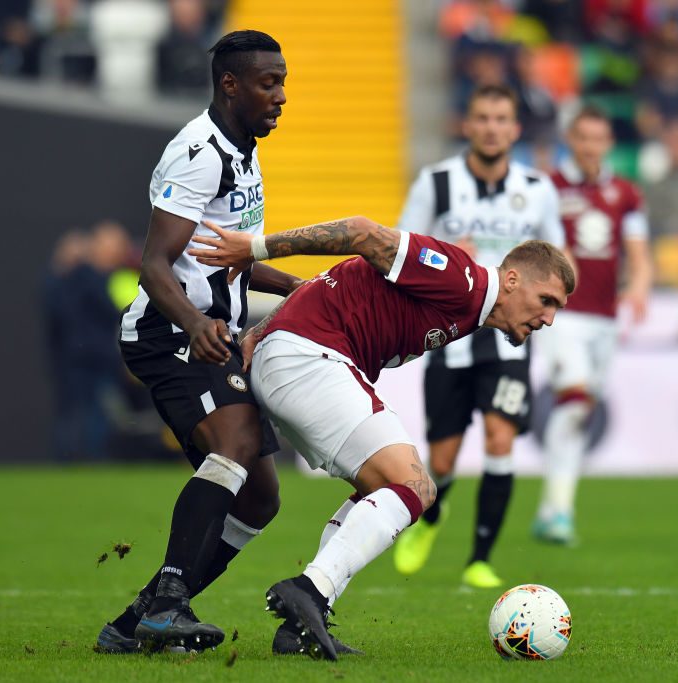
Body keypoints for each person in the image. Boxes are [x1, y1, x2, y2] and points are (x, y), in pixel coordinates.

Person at [188, 215, 575, 660]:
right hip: (310, 360)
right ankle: (309, 592)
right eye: (546, 300)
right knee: (414, 486)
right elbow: (361, 233)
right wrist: (256, 248)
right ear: (511, 280)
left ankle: (294, 622)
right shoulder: (463, 277)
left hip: (301, 357)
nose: (547, 318)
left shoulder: (469, 302)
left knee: (379, 491)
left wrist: (267, 327)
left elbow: (333, 283)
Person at [95, 30, 304, 655]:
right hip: (168, 334)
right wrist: (195, 324)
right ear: (230, 85)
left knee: (262, 499)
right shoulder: (199, 152)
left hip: (210, 332)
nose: (281, 96)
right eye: (269, 83)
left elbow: (223, 257)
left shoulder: (243, 148)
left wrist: (298, 287)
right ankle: (168, 605)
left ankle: (140, 622)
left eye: (284, 81)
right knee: (236, 443)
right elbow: (155, 265)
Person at [389, 84, 565, 589]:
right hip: (450, 336)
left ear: (514, 129)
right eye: (482, 117)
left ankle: (480, 559)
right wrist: (444, 251)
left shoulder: (537, 189)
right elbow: (400, 250)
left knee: (499, 437)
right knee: (441, 460)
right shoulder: (436, 183)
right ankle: (432, 518)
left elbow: (556, 261)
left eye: (500, 118)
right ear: (468, 125)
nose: (491, 127)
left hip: (510, 337)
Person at [531, 105, 652, 545]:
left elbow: (637, 249)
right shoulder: (549, 187)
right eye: (582, 137)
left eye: (598, 139)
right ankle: (559, 512)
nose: (590, 146)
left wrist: (638, 287)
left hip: (605, 318)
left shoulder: (626, 193)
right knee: (576, 398)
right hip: (562, 316)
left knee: (579, 414)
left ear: (608, 144)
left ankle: (553, 511)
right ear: (571, 139)